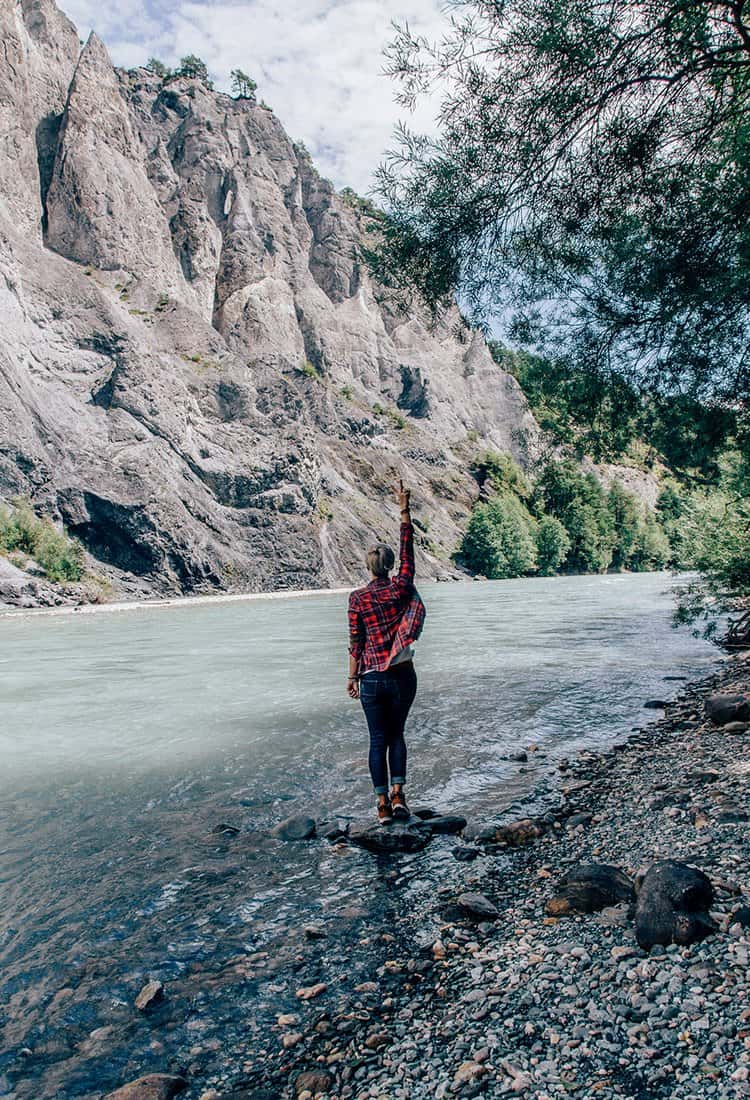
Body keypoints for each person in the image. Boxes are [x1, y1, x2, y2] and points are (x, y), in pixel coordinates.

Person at [347, 479, 426, 824]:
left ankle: (380, 806)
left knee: (377, 739)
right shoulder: (401, 587)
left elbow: (356, 642)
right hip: (402, 675)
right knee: (397, 735)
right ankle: (399, 797)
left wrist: (352, 677)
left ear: (369, 567)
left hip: (372, 678)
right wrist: (403, 508)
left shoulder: (357, 598)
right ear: (391, 566)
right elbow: (408, 550)